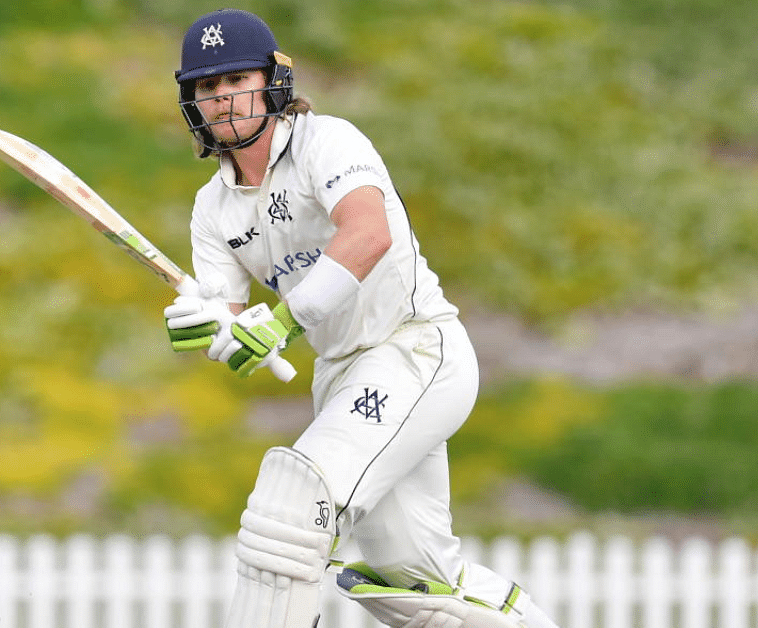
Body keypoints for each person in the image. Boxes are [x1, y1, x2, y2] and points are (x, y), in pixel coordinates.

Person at [162, 9, 561, 628]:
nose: (224, 98)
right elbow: (234, 320)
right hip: (342, 377)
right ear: (194, 102)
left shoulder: (329, 141)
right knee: (415, 584)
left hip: (414, 348)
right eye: (208, 87)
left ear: (272, 81)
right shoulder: (212, 207)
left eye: (237, 79)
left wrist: (283, 321)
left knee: (293, 504)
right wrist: (209, 327)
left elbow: (368, 233)